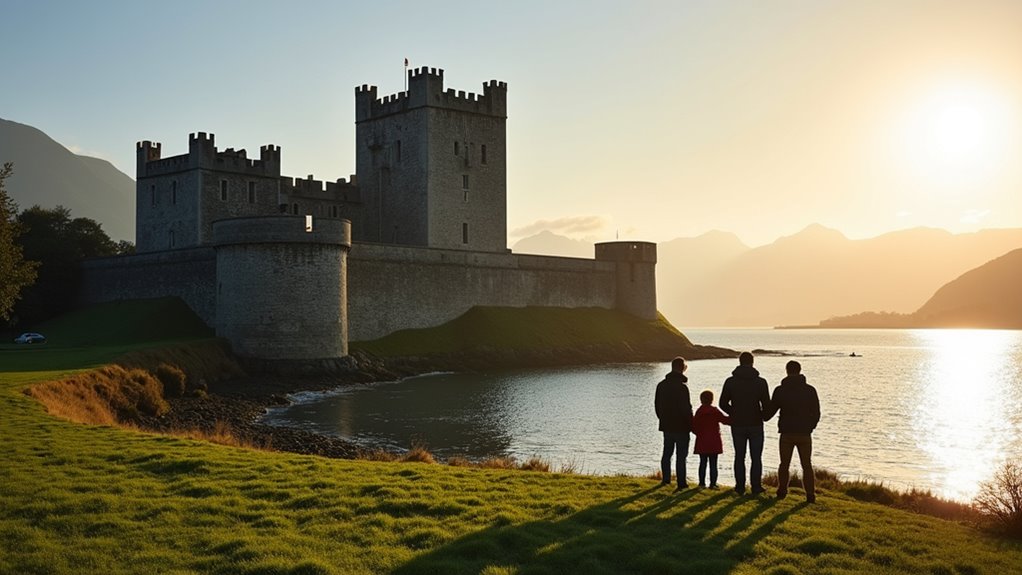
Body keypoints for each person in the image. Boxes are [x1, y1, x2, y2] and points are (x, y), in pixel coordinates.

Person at [763, 360, 821, 502]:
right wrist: (810, 427)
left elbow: (769, 413)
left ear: (787, 371)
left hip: (787, 432)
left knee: (784, 464)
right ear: (800, 370)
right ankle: (810, 495)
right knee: (807, 465)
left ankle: (782, 491)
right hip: (804, 433)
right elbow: (817, 413)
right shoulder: (810, 390)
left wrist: (758, 412)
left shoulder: (780, 390)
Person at [720, 351, 771, 495]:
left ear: (740, 362)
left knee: (739, 456)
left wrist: (734, 413)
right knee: (756, 457)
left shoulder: (730, 381)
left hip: (738, 424)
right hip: (755, 423)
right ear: (752, 362)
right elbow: (767, 404)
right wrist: (763, 416)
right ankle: (756, 486)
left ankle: (740, 487)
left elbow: (722, 403)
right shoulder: (761, 382)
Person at [654, 356, 693, 490]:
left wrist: (663, 419)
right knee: (681, 456)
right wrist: (691, 424)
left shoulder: (661, 385)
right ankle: (681, 483)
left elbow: (657, 406)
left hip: (667, 425)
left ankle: (666, 480)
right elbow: (686, 409)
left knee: (667, 453)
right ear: (682, 368)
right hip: (681, 426)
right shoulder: (682, 388)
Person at [691, 389, 731, 489]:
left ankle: (701, 483)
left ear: (701, 400)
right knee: (714, 464)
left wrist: (699, 434)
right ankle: (713, 484)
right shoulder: (715, 411)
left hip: (702, 441)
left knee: (702, 463)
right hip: (714, 441)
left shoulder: (699, 412)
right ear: (712, 400)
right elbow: (725, 421)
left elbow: (694, 426)